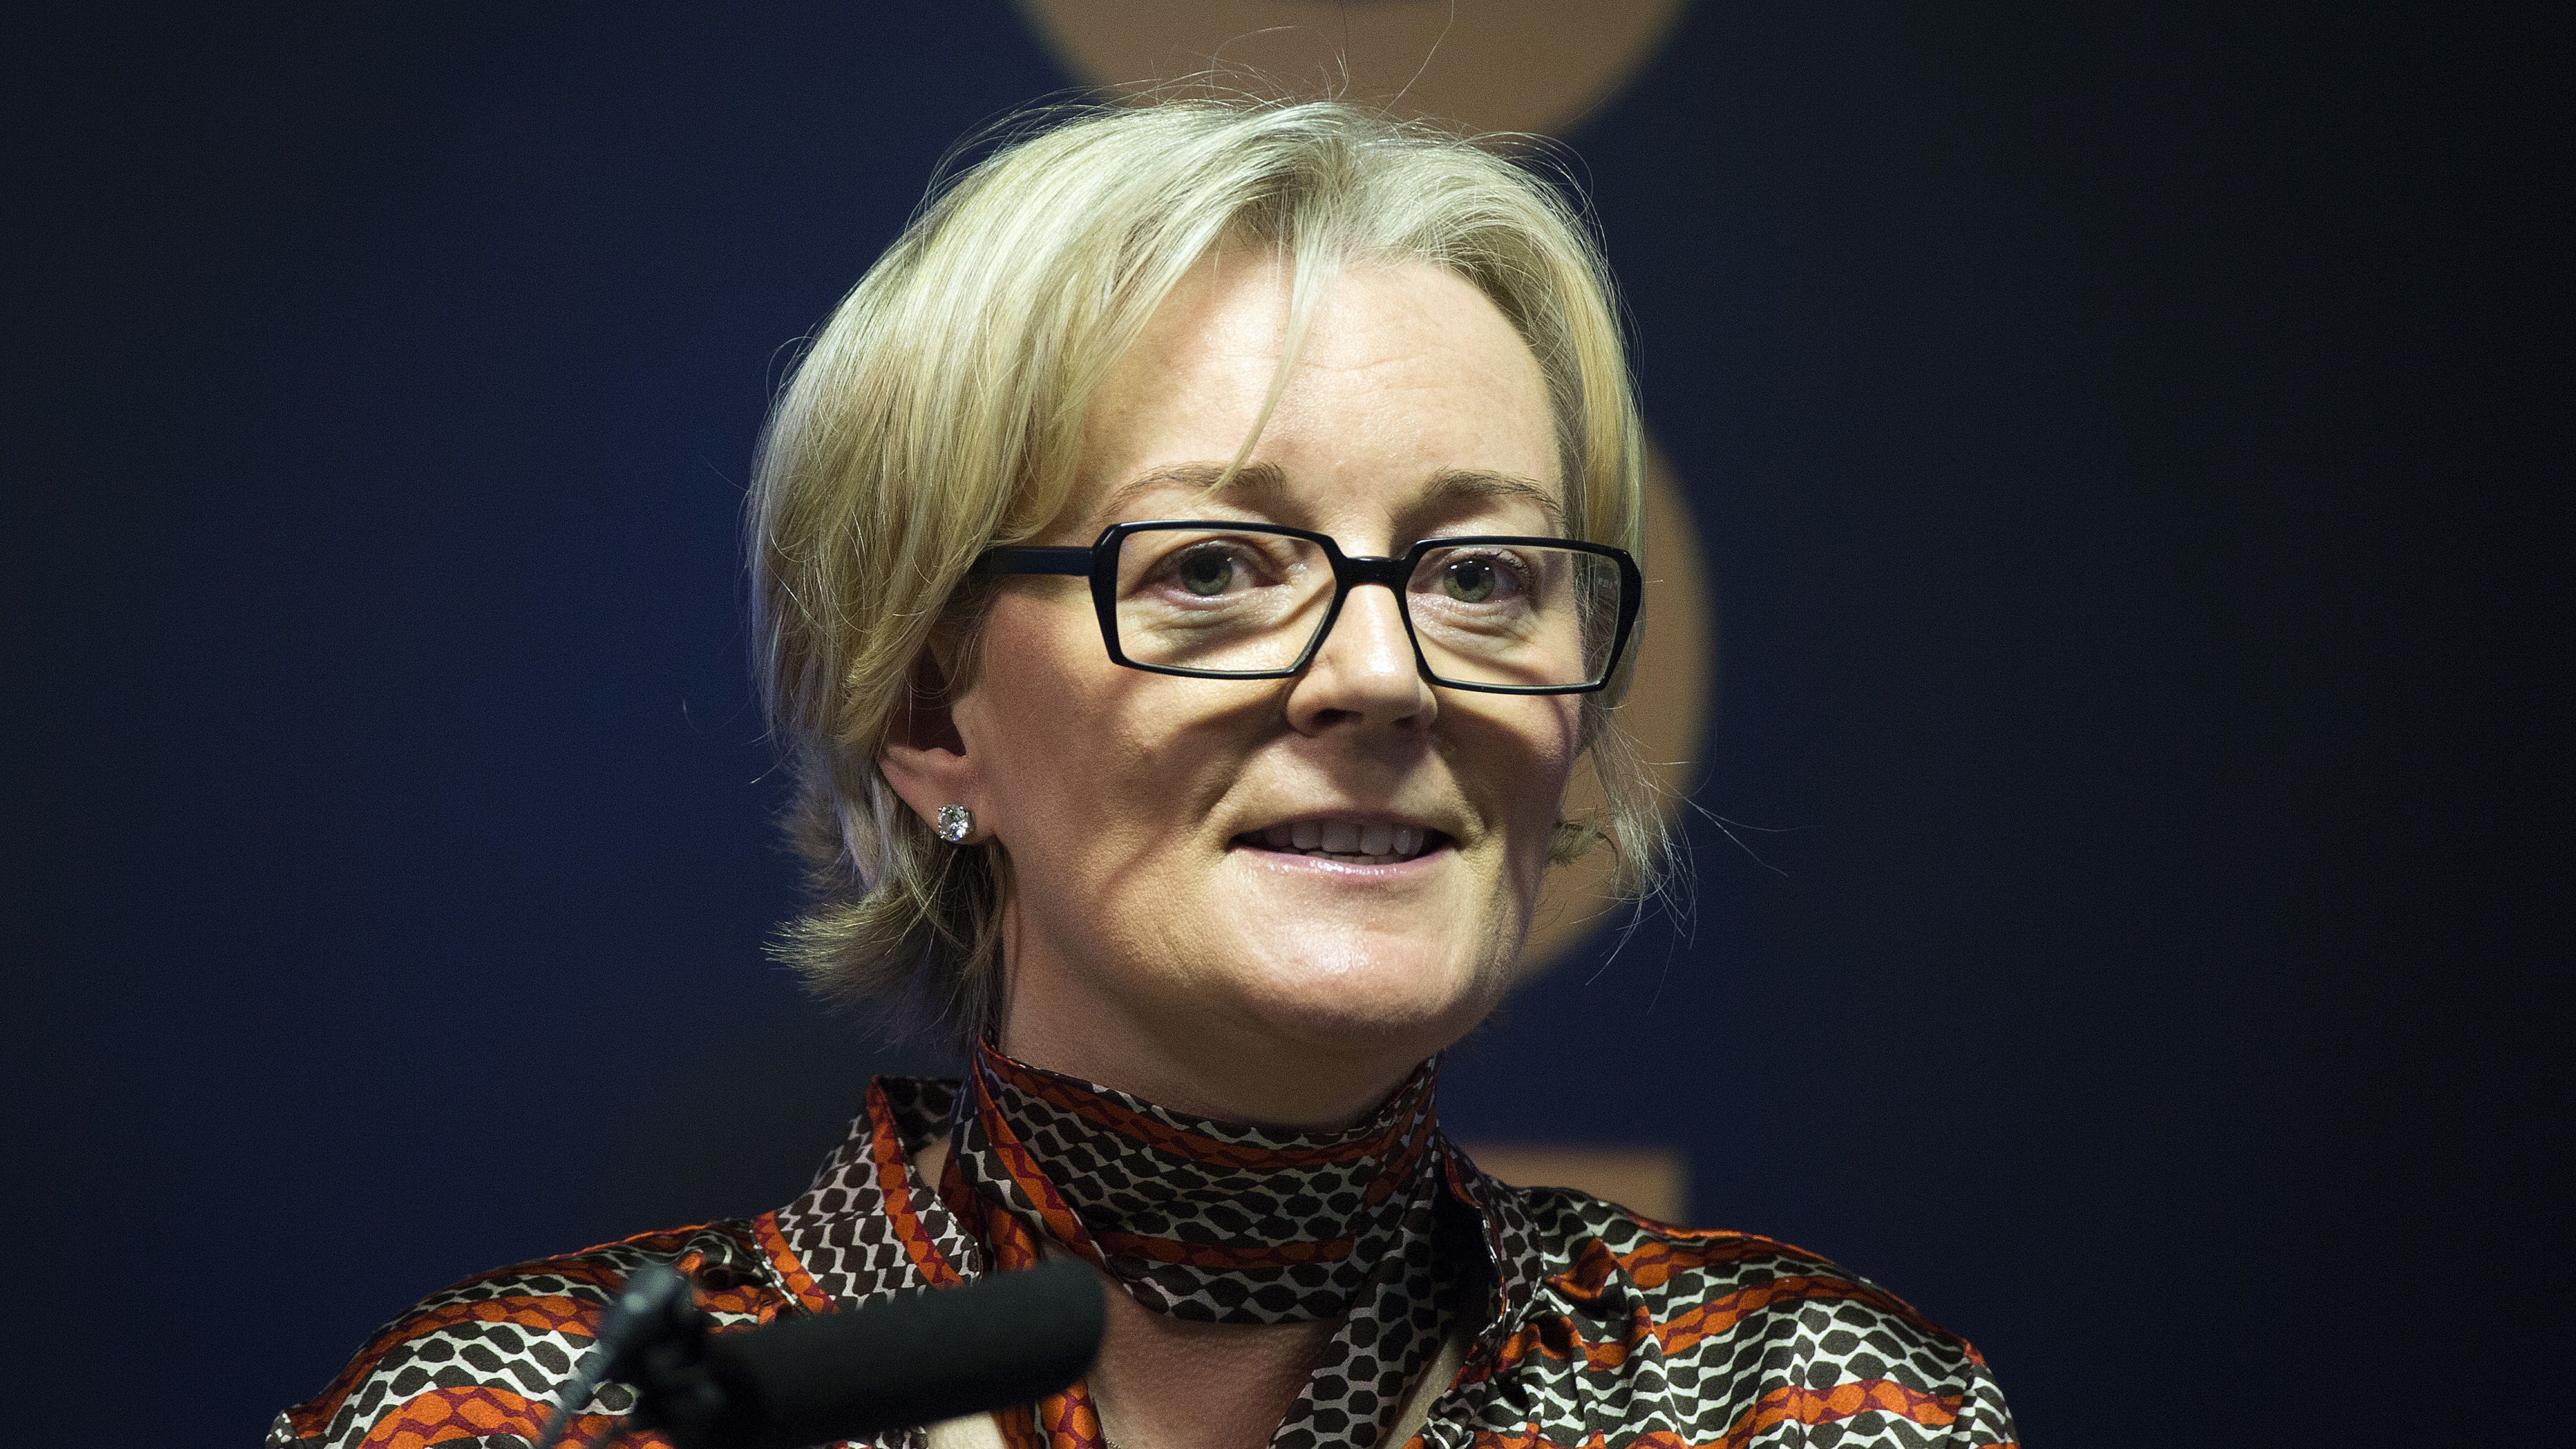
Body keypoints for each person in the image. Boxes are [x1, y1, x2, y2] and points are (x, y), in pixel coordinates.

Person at [270, 99, 2017, 1449]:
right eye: (1211, 568)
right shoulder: (513, 1419)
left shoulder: (1806, 1406)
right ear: (932, 709)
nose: (1387, 672)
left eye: (1480, 573)